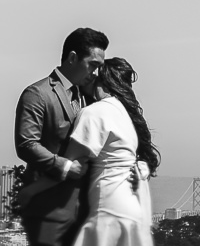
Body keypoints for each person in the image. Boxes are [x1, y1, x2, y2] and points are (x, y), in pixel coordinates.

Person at [16, 27, 110, 246]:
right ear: (73, 58)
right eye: (93, 65)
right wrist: (66, 167)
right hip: (49, 207)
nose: (96, 73)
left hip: (83, 208)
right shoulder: (38, 94)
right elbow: (26, 143)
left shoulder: (86, 97)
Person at [61, 57, 161, 246]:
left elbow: (69, 162)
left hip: (108, 207)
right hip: (131, 208)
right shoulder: (124, 114)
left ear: (101, 79)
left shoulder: (95, 113)